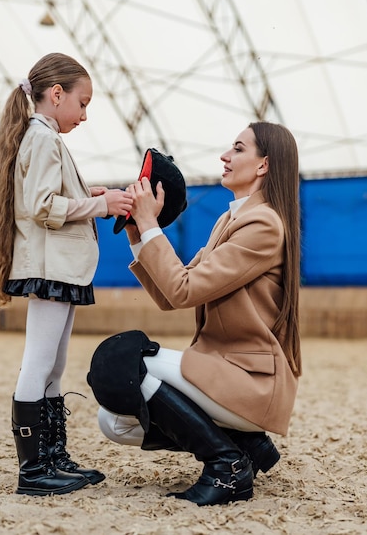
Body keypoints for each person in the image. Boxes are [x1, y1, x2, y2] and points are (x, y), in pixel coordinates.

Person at [90, 121, 301, 506]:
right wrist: (139, 231)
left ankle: (227, 465)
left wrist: (152, 222)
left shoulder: (264, 224)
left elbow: (181, 290)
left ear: (263, 165)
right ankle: (244, 445)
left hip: (250, 381)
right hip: (223, 371)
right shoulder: (229, 220)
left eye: (237, 149)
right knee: (114, 422)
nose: (225, 156)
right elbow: (173, 295)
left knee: (121, 365)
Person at [0, 52, 133, 496]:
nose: (84, 114)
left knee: (55, 365)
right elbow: (41, 206)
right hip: (51, 269)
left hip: (61, 269)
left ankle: (52, 456)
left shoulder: (44, 138)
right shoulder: (41, 139)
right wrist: (101, 205)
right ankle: (33, 470)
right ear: (56, 95)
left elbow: (50, 196)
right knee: (40, 363)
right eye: (82, 103)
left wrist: (89, 193)